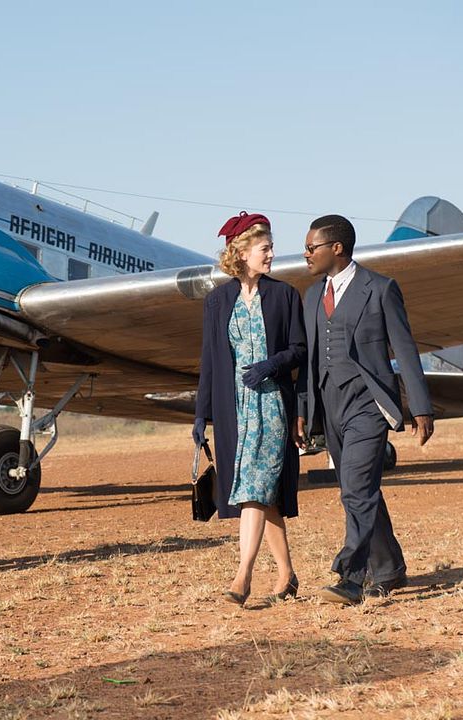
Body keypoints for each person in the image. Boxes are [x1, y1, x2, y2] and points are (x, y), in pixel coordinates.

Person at [296, 214, 433, 606]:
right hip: (329, 405)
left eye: (311, 247)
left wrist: (420, 408)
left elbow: (405, 350)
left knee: (355, 488)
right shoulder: (311, 296)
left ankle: (351, 578)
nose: (306, 254)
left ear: (336, 248)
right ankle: (389, 568)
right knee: (359, 490)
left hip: (368, 405)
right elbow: (309, 359)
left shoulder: (380, 288)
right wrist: (304, 408)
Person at [193, 211, 307, 607]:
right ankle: (287, 574)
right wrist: (200, 414)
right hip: (234, 409)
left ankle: (242, 576)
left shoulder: (285, 295)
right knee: (262, 492)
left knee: (253, 490)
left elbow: (298, 349)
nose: (272, 254)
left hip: (273, 404)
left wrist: (270, 366)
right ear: (241, 253)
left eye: (272, 247)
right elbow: (209, 361)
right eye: (266, 248)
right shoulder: (216, 301)